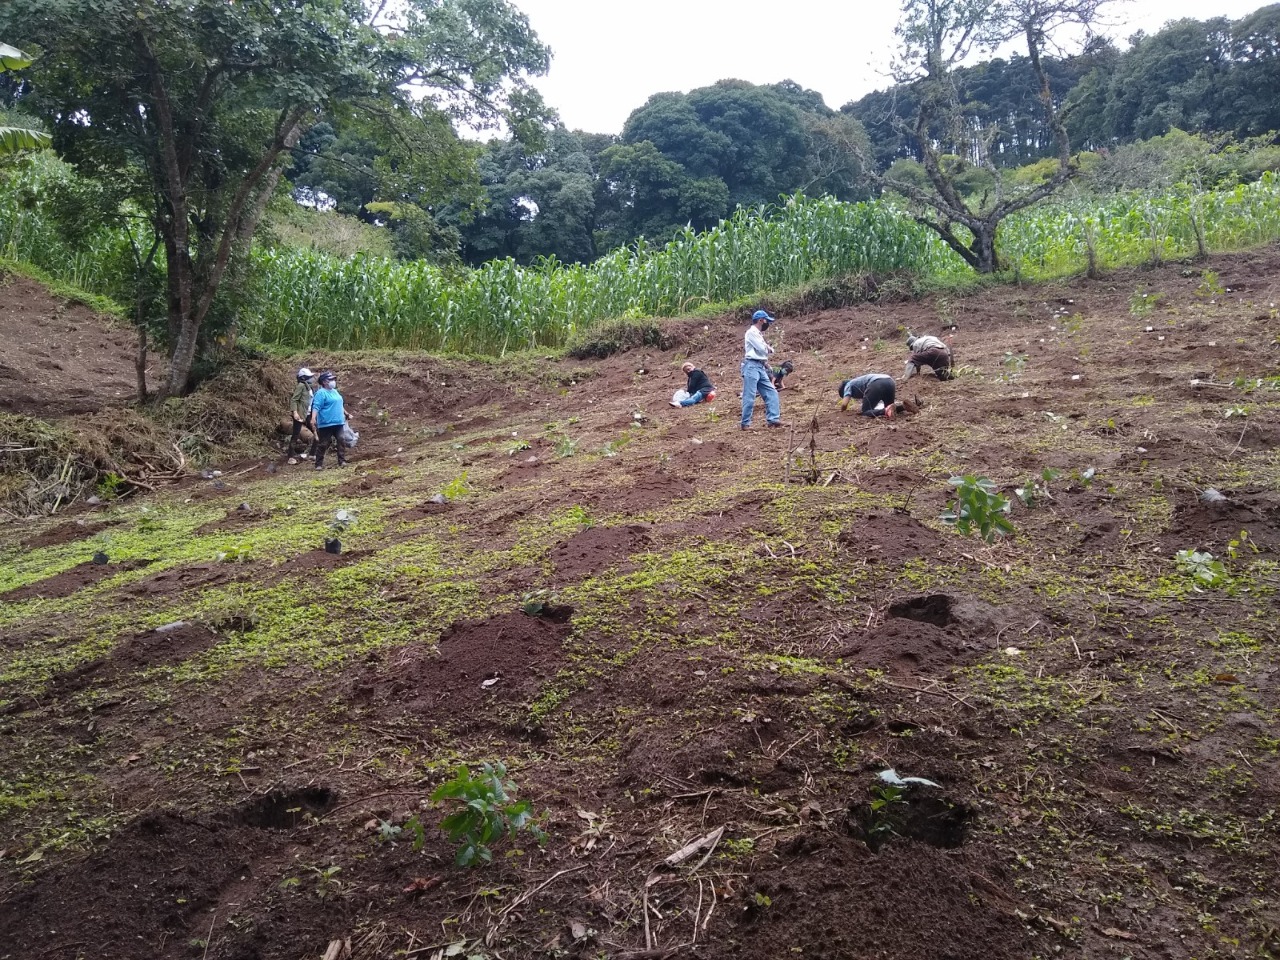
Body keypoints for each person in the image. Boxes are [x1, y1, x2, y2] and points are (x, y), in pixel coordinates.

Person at [741, 310, 784, 430]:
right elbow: (762, 350)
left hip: (759, 366)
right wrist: (768, 348)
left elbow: (761, 353)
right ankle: (745, 423)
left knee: (772, 392)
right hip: (751, 366)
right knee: (749, 396)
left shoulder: (758, 334)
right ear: (761, 320)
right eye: (766, 320)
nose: (767, 323)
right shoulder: (751, 333)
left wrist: (766, 364)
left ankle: (773, 419)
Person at [309, 371, 350, 469]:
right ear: (324, 382)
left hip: (339, 422)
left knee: (341, 440)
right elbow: (316, 406)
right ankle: (318, 464)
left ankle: (342, 461)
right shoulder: (320, 393)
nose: (333, 381)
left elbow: (339, 404)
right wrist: (313, 418)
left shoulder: (335, 391)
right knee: (323, 443)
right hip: (326, 423)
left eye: (333, 379)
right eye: (330, 379)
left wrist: (346, 413)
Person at [284, 367, 317, 464]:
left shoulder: (309, 387)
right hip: (300, 414)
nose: (311, 378)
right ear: (303, 378)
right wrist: (295, 412)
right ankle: (291, 456)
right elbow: (294, 399)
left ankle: (312, 454)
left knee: (316, 431)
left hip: (308, 414)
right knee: (296, 434)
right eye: (308, 377)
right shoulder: (301, 386)